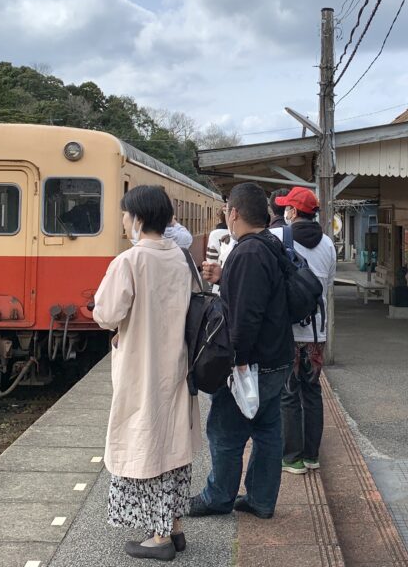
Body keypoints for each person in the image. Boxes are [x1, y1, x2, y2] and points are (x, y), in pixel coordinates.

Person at [93, 185, 200, 562]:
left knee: (146, 443)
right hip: (177, 364)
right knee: (172, 442)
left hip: (142, 366)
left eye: (125, 214)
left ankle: (159, 538)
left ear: (138, 218)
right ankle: (174, 526)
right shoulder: (181, 257)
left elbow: (106, 314)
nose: (123, 221)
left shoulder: (130, 261)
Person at [190, 183, 293, 520]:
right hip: (277, 357)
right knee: (266, 430)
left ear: (233, 213)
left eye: (225, 212)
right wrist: (224, 277)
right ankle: (261, 500)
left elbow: (246, 316)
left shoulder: (248, 253)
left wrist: (238, 362)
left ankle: (218, 497)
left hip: (254, 362)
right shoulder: (270, 244)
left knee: (225, 430)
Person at [268, 186, 336, 475]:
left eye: (287, 207)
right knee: (312, 391)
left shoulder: (278, 238)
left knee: (288, 392)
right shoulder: (329, 245)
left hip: (289, 330)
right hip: (316, 333)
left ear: (293, 212)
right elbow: (328, 285)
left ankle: (292, 458)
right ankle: (312, 456)